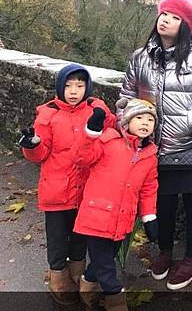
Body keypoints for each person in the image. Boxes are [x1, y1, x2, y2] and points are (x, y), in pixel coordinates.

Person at [119, 0, 192, 290]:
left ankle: (191, 259)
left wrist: (188, 124)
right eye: (163, 13)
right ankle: (165, 253)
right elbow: (125, 97)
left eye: (174, 16)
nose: (165, 19)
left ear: (186, 27)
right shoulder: (140, 57)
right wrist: (131, 124)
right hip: (155, 146)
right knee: (162, 202)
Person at [19, 63, 115, 305]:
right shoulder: (48, 115)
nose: (74, 91)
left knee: (81, 233)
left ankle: (77, 269)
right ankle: (58, 274)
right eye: (69, 86)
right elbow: (40, 154)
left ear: (88, 88)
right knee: (58, 235)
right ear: (60, 87)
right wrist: (31, 145)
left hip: (87, 186)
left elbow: (111, 133)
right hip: (57, 187)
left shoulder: (96, 108)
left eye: (80, 86)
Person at [73, 98, 160, 311]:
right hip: (96, 216)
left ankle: (87, 283)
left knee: (105, 258)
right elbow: (81, 158)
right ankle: (115, 300)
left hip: (122, 219)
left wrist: (149, 216)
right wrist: (90, 133)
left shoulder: (150, 156)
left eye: (150, 120)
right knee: (106, 266)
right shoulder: (108, 142)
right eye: (139, 118)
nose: (145, 123)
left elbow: (149, 189)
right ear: (126, 121)